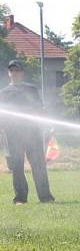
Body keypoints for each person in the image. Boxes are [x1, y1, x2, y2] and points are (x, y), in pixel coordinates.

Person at [0, 60, 55, 205]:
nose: (14, 73)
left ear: (22, 73)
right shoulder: (3, 93)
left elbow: (39, 110)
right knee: (17, 167)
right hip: (13, 136)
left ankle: (46, 197)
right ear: (9, 73)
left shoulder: (31, 89)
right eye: (12, 70)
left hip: (33, 133)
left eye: (17, 70)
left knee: (39, 166)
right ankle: (20, 199)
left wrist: (46, 124)